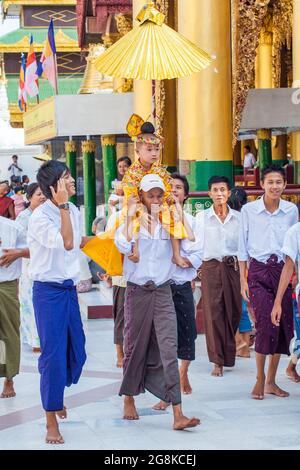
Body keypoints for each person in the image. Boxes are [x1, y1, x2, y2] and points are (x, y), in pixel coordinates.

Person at [115, 173, 200, 430]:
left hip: (163, 291)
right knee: (134, 345)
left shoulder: (171, 222)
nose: (154, 199)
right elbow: (122, 243)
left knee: (168, 346)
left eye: (158, 195)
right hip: (137, 291)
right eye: (149, 195)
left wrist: (175, 210)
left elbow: (193, 244)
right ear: (140, 196)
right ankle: (128, 397)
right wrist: (132, 216)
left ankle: (178, 412)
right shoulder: (130, 220)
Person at [27, 160, 87, 444]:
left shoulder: (73, 210)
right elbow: (65, 241)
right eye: (66, 178)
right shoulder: (40, 217)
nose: (73, 180)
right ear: (54, 188)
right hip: (47, 292)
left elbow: (76, 242)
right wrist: (62, 207)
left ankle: (56, 393)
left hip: (68, 289)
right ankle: (51, 417)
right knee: (52, 356)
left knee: (78, 352)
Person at [238, 165, 298, 400]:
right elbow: (242, 247)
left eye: (279, 182)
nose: (275, 186)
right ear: (262, 184)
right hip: (259, 272)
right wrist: (243, 279)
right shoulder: (249, 210)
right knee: (265, 324)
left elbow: (294, 248)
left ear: (284, 185)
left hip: (282, 272)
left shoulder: (291, 210)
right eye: (270, 182)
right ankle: (260, 378)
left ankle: (271, 381)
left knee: (283, 327)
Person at [153, 173, 201, 412]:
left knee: (188, 333)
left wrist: (185, 260)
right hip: (162, 287)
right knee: (164, 340)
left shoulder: (193, 220)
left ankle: (183, 373)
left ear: (186, 194)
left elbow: (197, 251)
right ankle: (166, 391)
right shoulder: (157, 220)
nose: (174, 191)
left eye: (179, 188)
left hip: (182, 285)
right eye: (170, 187)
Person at [196, 176, 241, 377]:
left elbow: (244, 248)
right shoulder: (201, 217)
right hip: (211, 267)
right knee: (213, 313)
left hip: (233, 267)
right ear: (210, 194)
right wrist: (195, 272)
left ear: (229, 193)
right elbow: (196, 246)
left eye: (223, 189)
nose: (219, 194)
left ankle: (228, 353)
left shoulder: (239, 218)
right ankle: (217, 361)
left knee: (234, 312)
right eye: (215, 190)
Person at [0, 216, 27, 399]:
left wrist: (17, 253)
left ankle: (9, 378)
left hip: (5, 285)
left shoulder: (12, 227)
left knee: (8, 333)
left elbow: (34, 250)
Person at [17, 184, 46, 351]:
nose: (42, 197)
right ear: (29, 198)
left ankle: (41, 338)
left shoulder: (45, 214)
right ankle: (35, 341)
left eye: (44, 194)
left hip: (43, 264)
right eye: (38, 194)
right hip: (30, 265)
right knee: (30, 303)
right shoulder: (24, 217)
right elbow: (20, 244)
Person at [228, 187, 253, 358]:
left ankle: (238, 342)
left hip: (232, 264)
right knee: (242, 306)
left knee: (230, 306)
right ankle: (243, 348)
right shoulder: (248, 217)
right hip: (247, 264)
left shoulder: (231, 218)